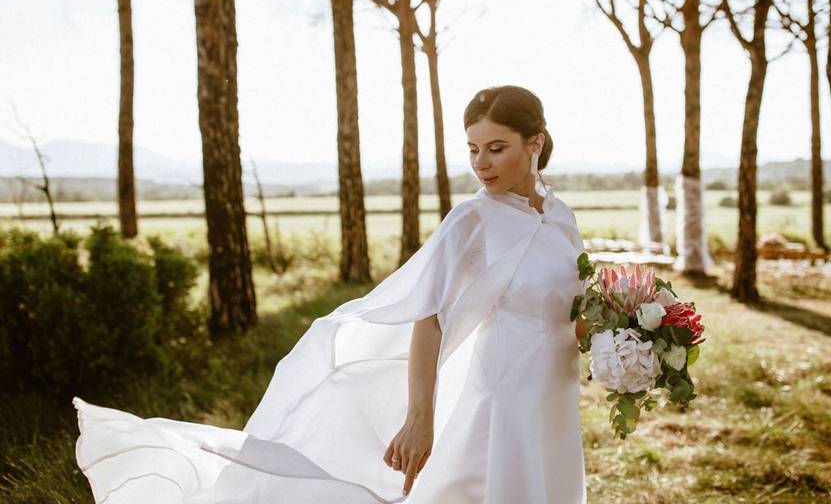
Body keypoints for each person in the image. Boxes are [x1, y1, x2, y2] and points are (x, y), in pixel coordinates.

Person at [73, 85, 589, 503]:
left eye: (496, 148)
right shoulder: (473, 221)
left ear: (535, 143)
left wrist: (622, 346)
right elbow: (428, 315)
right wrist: (419, 418)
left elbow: (572, 310)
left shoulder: (561, 218)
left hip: (554, 400)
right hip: (500, 405)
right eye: (474, 150)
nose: (482, 163)